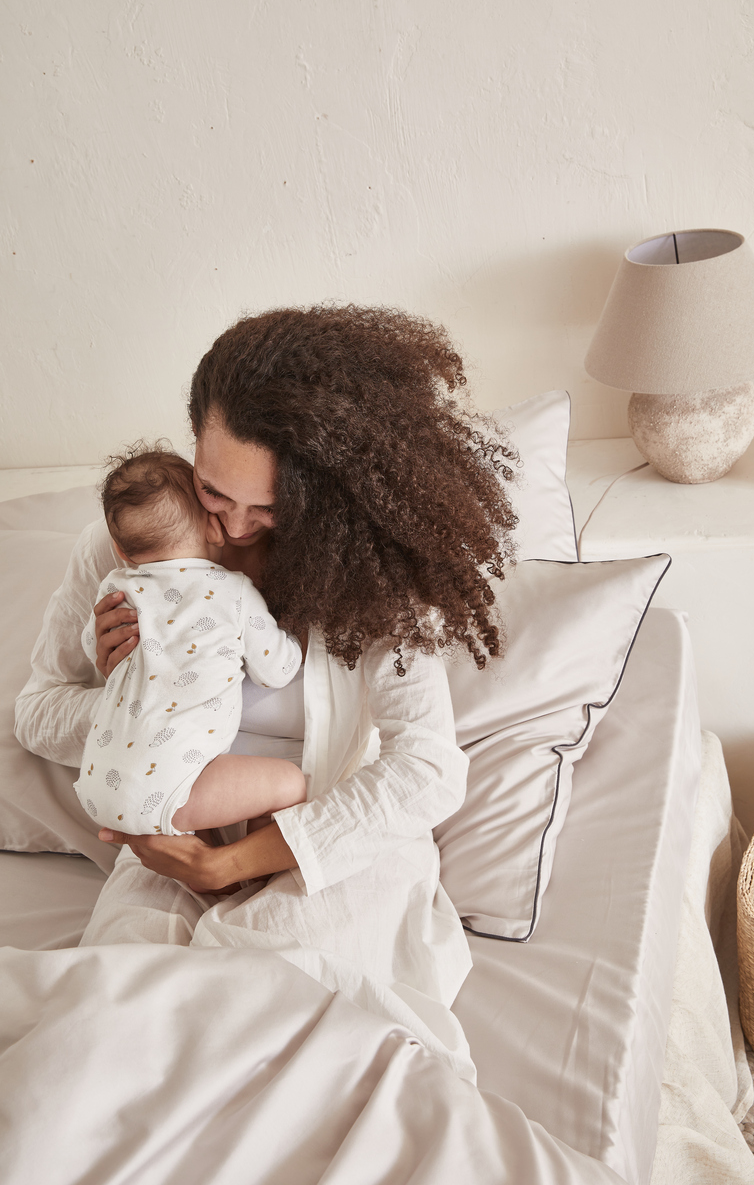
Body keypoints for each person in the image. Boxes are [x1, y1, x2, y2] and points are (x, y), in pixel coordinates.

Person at [14, 304, 518, 1078]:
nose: (236, 530)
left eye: (270, 508)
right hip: (171, 840)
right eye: (215, 493)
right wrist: (126, 700)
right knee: (107, 1040)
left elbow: (427, 769)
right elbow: (38, 712)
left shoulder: (370, 577)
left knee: (274, 1033)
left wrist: (238, 863)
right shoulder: (128, 548)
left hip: (328, 842)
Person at [74, 444, 305, 841]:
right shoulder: (232, 591)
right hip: (170, 791)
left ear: (120, 551)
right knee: (290, 784)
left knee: (188, 787)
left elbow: (90, 643)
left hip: (97, 787)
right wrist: (295, 640)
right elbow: (277, 672)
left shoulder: (118, 585)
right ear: (212, 527)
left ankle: (207, 853)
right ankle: (253, 867)